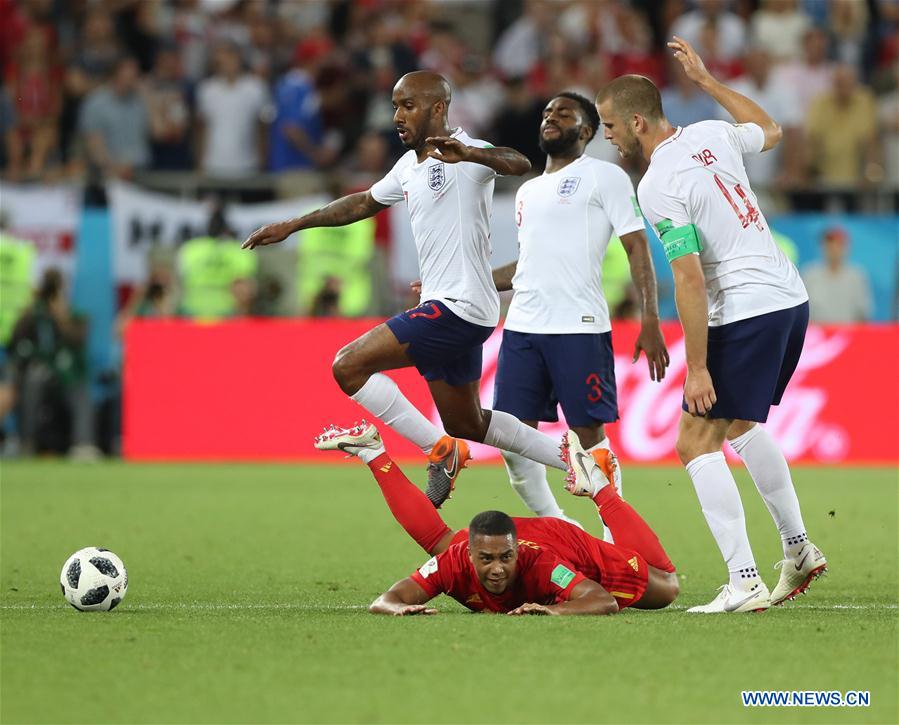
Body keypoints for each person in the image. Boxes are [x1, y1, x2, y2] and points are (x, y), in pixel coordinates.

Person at [244, 71, 574, 508]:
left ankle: (439, 451)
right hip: (449, 305)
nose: (397, 115)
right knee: (469, 423)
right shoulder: (407, 164)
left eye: (408, 106)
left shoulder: (466, 153)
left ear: (438, 108)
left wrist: (472, 154)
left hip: (460, 307)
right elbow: (362, 202)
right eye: (395, 106)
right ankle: (580, 461)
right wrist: (294, 224)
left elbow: (519, 163)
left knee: (348, 366)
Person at [595, 37, 827, 613]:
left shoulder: (655, 186)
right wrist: (707, 83)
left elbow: (691, 280)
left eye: (609, 124)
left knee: (694, 440)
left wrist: (696, 367)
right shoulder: (710, 133)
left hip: (745, 307)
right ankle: (798, 549)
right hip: (788, 297)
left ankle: (743, 580)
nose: (607, 135)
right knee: (742, 424)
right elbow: (769, 128)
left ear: (638, 122)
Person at [487, 92, 668, 537]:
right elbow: (526, 265)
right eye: (546, 112)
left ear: (586, 131)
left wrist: (650, 318)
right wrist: (458, 284)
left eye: (563, 113)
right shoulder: (527, 190)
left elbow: (636, 246)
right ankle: (560, 528)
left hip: (578, 328)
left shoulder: (604, 177)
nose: (550, 117)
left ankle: (615, 539)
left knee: (590, 437)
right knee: (512, 441)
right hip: (523, 328)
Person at [317, 421, 678, 616]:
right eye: (485, 560)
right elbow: (387, 599)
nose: (496, 570)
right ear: (470, 555)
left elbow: (602, 600)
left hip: (560, 542)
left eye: (504, 560)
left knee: (666, 587)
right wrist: (396, 608)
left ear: (516, 555)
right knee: (438, 542)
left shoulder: (543, 564)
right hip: (503, 535)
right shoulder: (454, 560)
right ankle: (374, 453)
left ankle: (599, 487)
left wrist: (554, 611)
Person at [801, 227, 872, 323]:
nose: (834, 249)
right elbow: (802, 313)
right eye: (830, 245)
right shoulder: (809, 275)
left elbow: (864, 314)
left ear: (846, 247)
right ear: (822, 247)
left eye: (838, 245)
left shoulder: (857, 277)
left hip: (849, 335)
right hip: (818, 335)